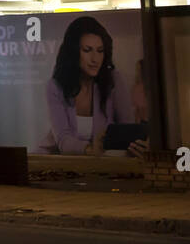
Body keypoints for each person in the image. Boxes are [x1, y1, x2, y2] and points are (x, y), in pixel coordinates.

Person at [38, 16, 148, 158]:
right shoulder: (55, 86)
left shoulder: (113, 80)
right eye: (87, 50)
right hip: (59, 161)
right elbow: (63, 140)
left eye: (100, 51)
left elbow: (127, 128)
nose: (95, 59)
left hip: (105, 162)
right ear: (73, 52)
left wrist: (136, 146)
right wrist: (90, 149)